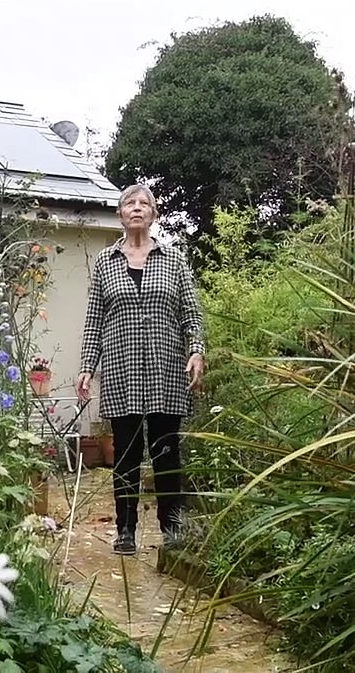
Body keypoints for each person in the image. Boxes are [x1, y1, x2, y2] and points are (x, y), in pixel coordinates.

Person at [76, 184, 205, 555]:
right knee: (127, 455)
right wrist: (87, 366)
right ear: (120, 214)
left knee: (167, 452)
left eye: (144, 203)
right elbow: (94, 320)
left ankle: (172, 528)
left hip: (167, 369)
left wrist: (196, 351)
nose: (136, 208)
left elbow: (191, 315)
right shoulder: (105, 262)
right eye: (129, 203)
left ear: (154, 214)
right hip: (121, 370)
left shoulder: (174, 259)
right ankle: (126, 529)